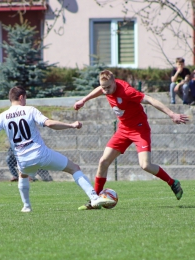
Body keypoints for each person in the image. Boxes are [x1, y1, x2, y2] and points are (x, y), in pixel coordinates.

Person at [0, 86, 112, 212]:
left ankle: (26, 206)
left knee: (23, 175)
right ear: (21, 97)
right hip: (41, 154)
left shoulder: (2, 116)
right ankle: (94, 197)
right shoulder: (30, 110)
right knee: (74, 168)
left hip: (23, 159)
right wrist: (71, 125)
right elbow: (49, 124)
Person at [74, 70, 188, 210]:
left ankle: (172, 182)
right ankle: (95, 200)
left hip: (139, 128)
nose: (105, 91)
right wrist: (84, 100)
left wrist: (172, 114)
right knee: (103, 161)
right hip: (123, 129)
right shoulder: (105, 88)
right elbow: (100, 89)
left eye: (108, 87)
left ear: (114, 82)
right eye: (103, 87)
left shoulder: (127, 91)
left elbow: (150, 100)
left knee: (145, 165)